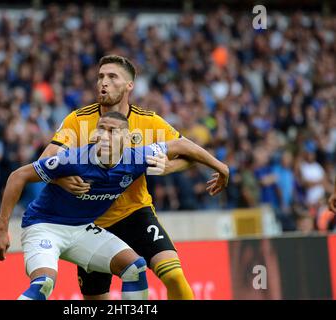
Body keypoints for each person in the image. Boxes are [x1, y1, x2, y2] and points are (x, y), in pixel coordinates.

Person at [38, 55, 223, 300]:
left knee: (175, 276)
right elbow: (45, 161)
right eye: (100, 76)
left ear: (129, 85)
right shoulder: (78, 120)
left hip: (135, 213)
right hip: (92, 223)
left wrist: (169, 167)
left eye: (112, 77)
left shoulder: (149, 122)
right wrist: (59, 179)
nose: (103, 82)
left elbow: (188, 152)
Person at [0, 111, 229, 300]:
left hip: (82, 228)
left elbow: (182, 146)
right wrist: (2, 228)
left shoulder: (136, 157)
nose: (104, 136)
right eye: (100, 130)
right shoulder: (73, 159)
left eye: (112, 131)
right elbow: (17, 176)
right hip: (44, 226)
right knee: (44, 284)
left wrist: (221, 168)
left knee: (135, 267)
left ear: (126, 139)